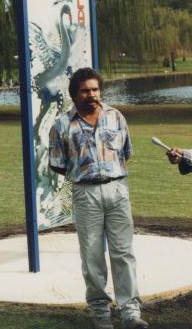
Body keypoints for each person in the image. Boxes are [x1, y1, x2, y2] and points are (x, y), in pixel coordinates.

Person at [49, 68, 149, 329]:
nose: (91, 94)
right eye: (85, 90)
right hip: (85, 195)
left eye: (94, 89)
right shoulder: (61, 125)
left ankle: (130, 313)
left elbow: (126, 152)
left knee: (123, 253)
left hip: (117, 191)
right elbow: (58, 164)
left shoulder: (116, 117)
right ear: (75, 95)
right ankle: (101, 313)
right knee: (92, 256)